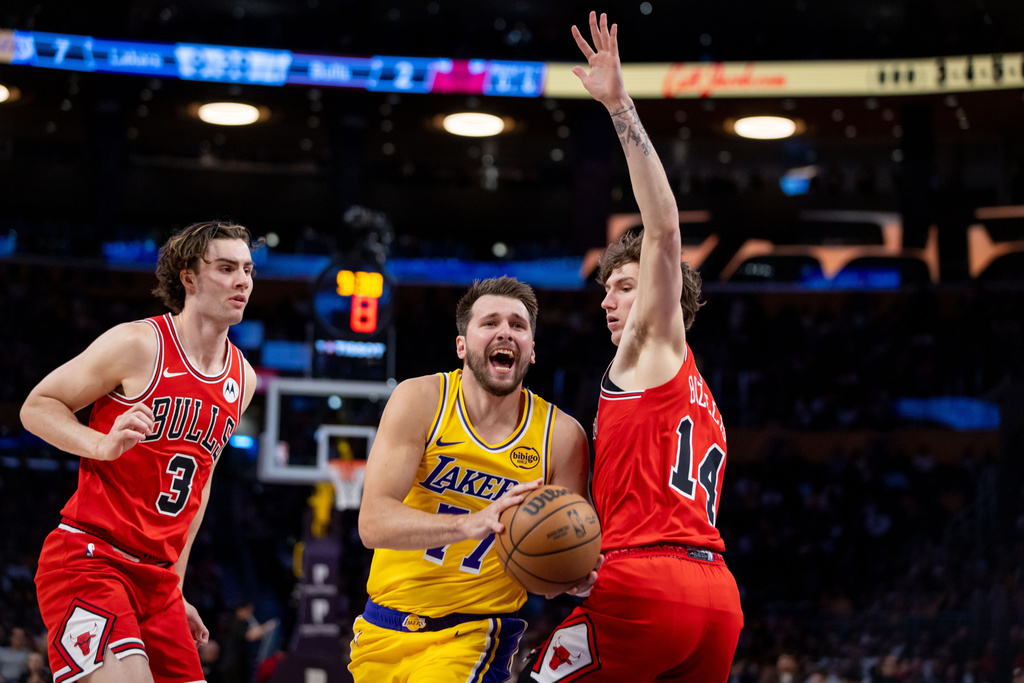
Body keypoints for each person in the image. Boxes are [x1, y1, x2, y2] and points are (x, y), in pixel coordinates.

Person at [521, 13, 743, 682]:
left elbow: (664, 229)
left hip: (646, 586)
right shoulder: (701, 395)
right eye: (609, 287)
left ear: (661, 295)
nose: (608, 299)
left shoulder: (651, 343)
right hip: (717, 599)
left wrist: (620, 107)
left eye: (624, 284)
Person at [21, 221, 261, 683]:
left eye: (247, 269)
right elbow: (37, 407)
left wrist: (176, 584)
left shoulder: (242, 379)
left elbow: (199, 487)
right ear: (188, 278)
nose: (242, 281)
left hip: (158, 584)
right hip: (91, 559)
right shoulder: (138, 344)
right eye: (226, 268)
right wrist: (102, 444)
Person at [350, 276, 593, 683]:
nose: (506, 332)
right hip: (380, 629)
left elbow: (557, 563)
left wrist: (571, 573)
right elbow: (372, 524)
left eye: (518, 325)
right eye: (490, 323)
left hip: (475, 635)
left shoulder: (562, 436)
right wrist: (470, 522)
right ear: (462, 345)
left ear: (532, 351)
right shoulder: (421, 400)